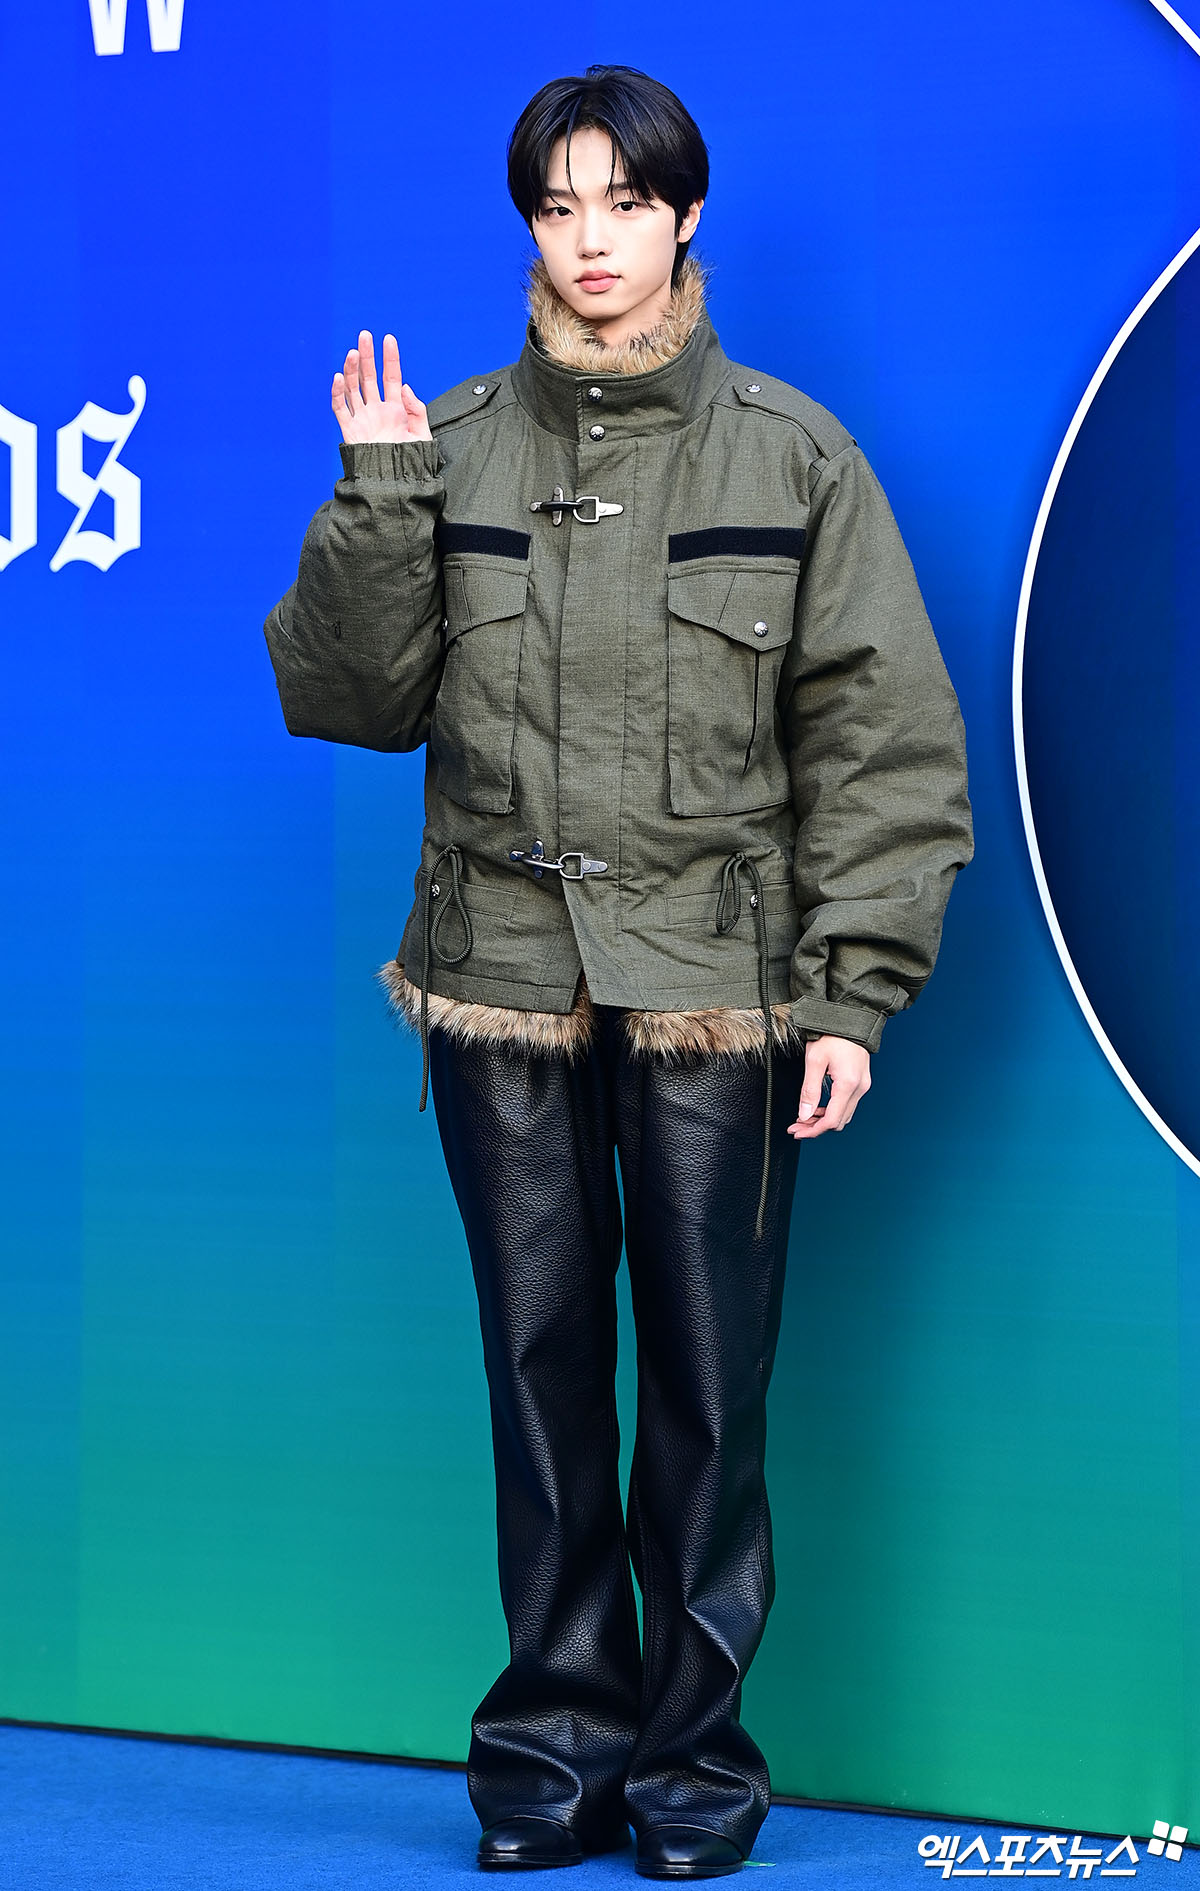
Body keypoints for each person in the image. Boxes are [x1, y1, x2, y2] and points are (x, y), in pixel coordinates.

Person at [263, 64, 973, 1882]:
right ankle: (550, 1756)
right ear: (530, 223)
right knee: (540, 1375)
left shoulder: (792, 455)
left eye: (627, 203)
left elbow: (882, 746)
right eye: (559, 204)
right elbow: (348, 701)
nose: (592, 239)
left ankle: (693, 1767)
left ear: (684, 218)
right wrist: (380, 491)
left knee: (710, 1397)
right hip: (499, 975)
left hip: (716, 989)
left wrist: (852, 993)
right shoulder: (450, 438)